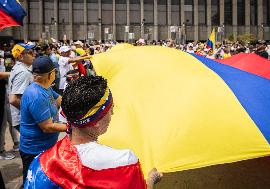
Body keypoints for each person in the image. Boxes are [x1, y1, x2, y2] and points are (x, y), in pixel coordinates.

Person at [25, 76, 162, 189]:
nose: (113, 113)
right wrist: (151, 180)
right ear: (95, 121)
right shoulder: (124, 162)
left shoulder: (40, 163)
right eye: (111, 109)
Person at [20, 56, 67, 185]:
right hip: (34, 150)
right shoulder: (36, 95)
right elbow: (47, 127)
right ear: (50, 74)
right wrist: (72, 127)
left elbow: (61, 101)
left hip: (46, 146)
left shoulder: (46, 88)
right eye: (54, 72)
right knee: (32, 182)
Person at [9, 43, 35, 132]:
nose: (33, 54)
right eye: (30, 52)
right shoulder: (23, 73)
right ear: (21, 57)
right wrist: (32, 113)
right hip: (24, 119)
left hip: (21, 118)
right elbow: (13, 99)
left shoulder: (19, 68)